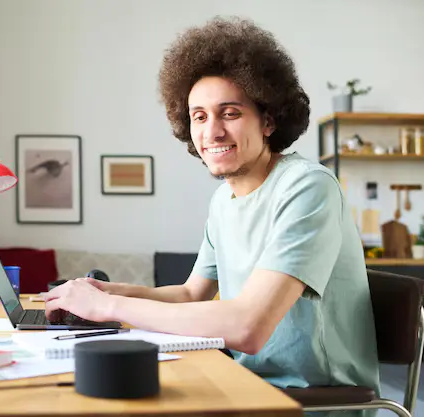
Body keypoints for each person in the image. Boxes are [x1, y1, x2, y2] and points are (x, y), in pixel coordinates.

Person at [43, 16, 381, 402]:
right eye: (199, 117)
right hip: (246, 386)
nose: (212, 132)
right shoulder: (224, 200)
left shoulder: (308, 187)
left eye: (230, 113)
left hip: (315, 402)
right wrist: (103, 290)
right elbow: (191, 294)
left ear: (268, 120)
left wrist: (108, 306)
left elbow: (248, 328)